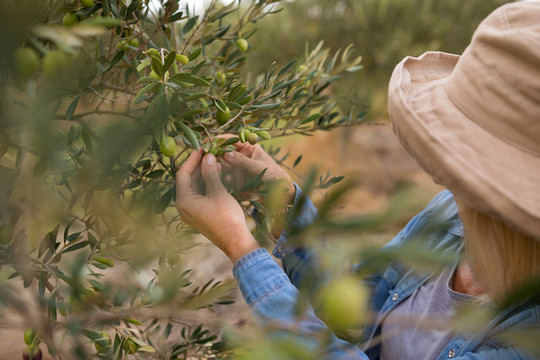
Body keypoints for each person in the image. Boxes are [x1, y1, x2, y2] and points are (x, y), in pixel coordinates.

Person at [175, 2, 540, 359]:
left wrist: (243, 248)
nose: (440, 169)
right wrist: (285, 204)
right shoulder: (450, 213)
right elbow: (351, 302)